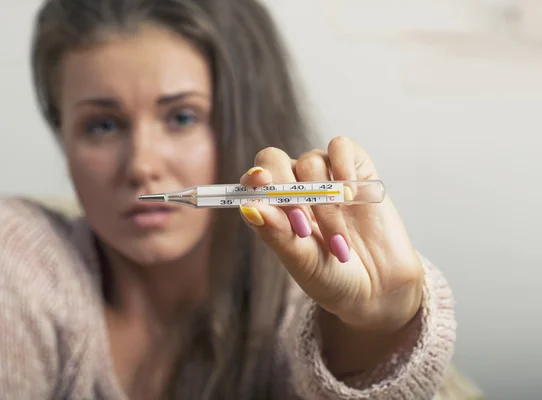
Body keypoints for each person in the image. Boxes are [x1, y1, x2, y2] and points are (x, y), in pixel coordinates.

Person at [0, 0, 483, 399]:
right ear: (63, 136)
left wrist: (378, 333)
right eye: (102, 125)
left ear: (246, 119)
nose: (141, 165)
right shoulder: (21, 265)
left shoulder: (301, 297)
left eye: (182, 117)